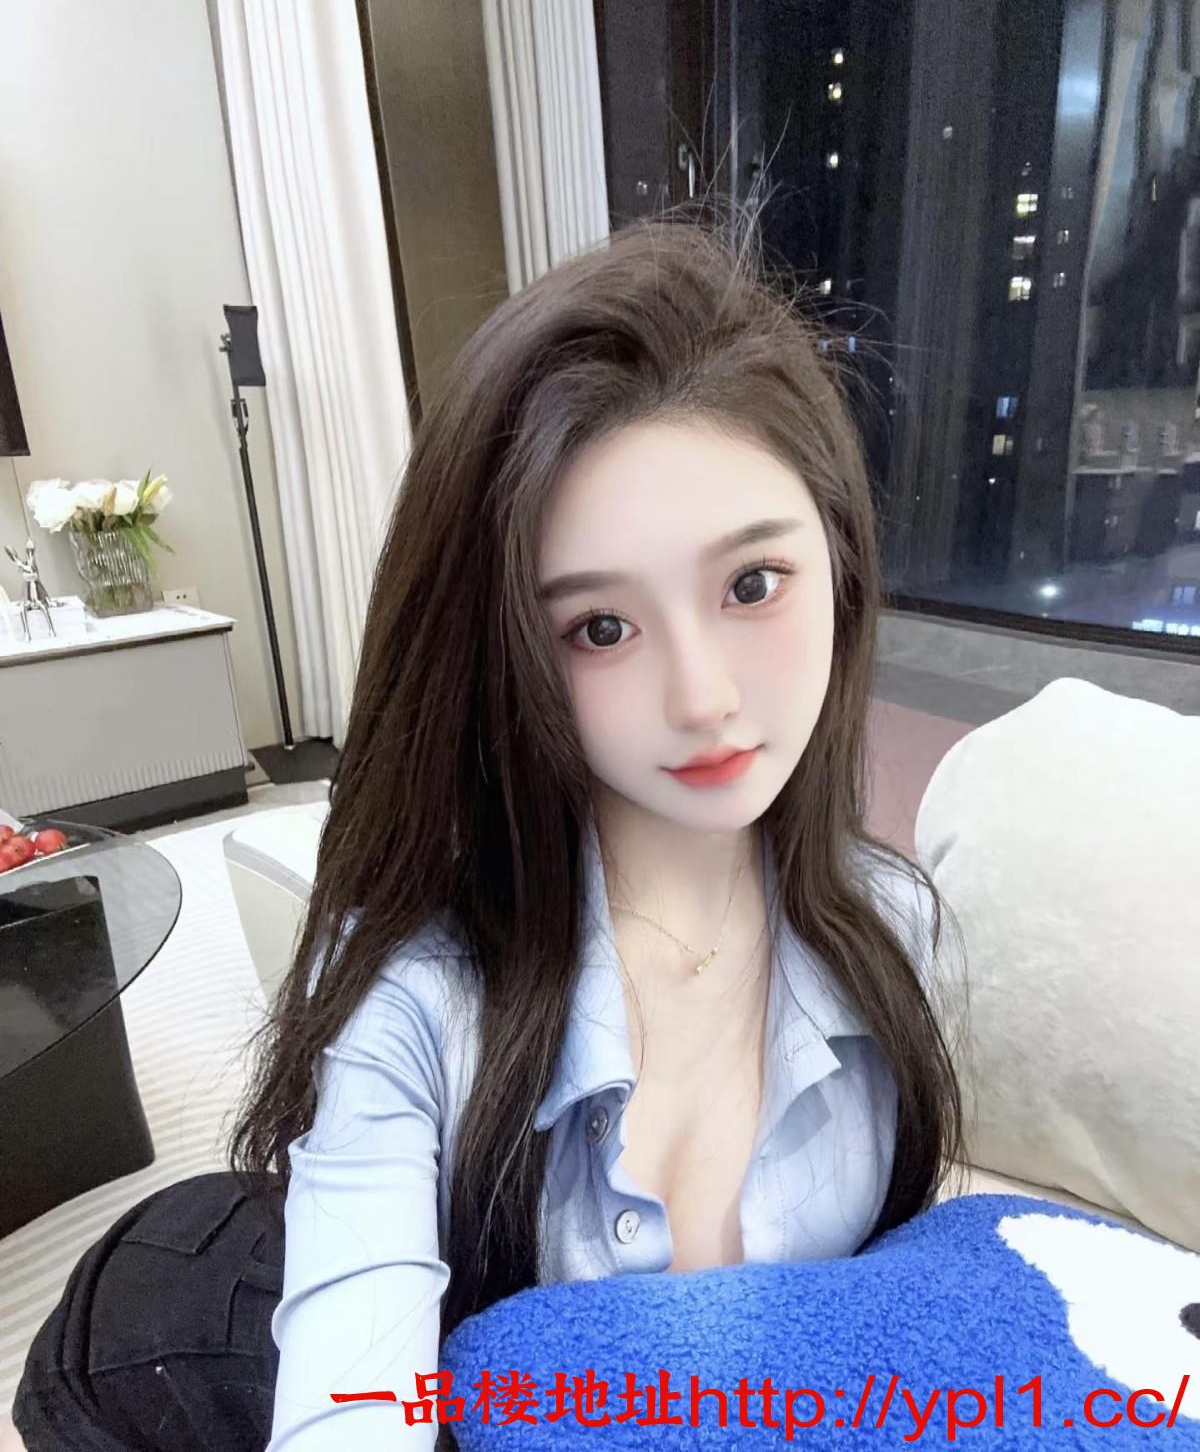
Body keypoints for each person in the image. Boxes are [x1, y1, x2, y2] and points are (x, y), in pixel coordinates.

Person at [3, 203, 966, 1452]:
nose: (704, 696)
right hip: (164, 1347)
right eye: (601, 628)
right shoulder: (422, 1003)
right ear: (512, 649)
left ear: (839, 563)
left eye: (751, 584)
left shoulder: (896, 928)